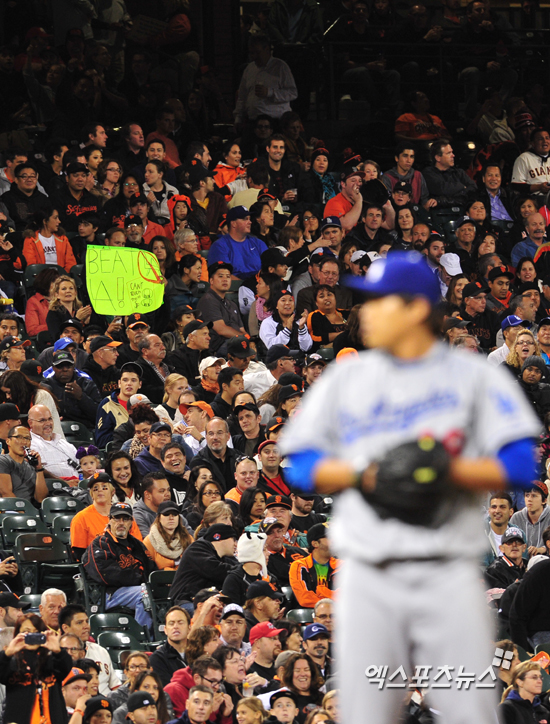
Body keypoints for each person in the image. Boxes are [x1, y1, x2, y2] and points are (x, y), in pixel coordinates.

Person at [279, 252, 541, 724]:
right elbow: (299, 465)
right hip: (367, 576)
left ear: (416, 309)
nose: (365, 312)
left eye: (379, 302)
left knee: (470, 713)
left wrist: (447, 472)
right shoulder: (349, 377)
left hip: (447, 575)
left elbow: (521, 460)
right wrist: (366, 475)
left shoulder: (472, 375)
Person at [81, 502, 156, 629]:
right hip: (109, 594)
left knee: (159, 592)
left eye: (126, 519)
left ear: (131, 522)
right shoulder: (99, 544)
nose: (121, 523)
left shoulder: (138, 545)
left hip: (134, 590)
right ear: (109, 520)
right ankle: (140, 638)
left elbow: (150, 569)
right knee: (145, 594)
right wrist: (137, 577)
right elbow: (105, 575)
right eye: (117, 518)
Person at [0, 613, 73, 724]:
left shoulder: (52, 661)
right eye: (26, 632)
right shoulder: (12, 662)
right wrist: (7, 654)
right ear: (17, 635)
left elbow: (66, 667)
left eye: (36, 632)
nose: (31, 636)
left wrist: (58, 651)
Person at [70, 473, 142, 561]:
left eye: (104, 487)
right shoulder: (80, 518)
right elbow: (79, 553)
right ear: (91, 494)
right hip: (98, 565)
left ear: (112, 492)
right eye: (95, 488)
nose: (99, 490)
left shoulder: (125, 515)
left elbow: (138, 545)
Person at [234, 34, 297, 128]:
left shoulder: (280, 67)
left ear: (267, 49)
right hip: (253, 122)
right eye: (251, 53)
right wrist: (238, 118)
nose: (254, 56)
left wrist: (270, 92)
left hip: (275, 122)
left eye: (257, 52)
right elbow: (242, 96)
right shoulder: (249, 69)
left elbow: (292, 93)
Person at [58, 604, 121, 696]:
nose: (86, 626)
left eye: (87, 621)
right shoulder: (58, 656)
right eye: (79, 623)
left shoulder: (100, 651)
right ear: (65, 628)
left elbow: (115, 686)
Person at [169, 524, 238, 605]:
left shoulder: (224, 559)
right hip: (185, 601)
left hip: (208, 602)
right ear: (219, 538)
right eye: (233, 539)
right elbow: (215, 570)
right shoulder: (197, 548)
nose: (236, 544)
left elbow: (237, 569)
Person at [196, 263, 246, 356]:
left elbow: (241, 329)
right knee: (241, 348)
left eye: (228, 276)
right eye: (220, 276)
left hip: (234, 341)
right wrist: (243, 338)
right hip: (218, 346)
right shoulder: (208, 300)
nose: (225, 279)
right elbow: (221, 330)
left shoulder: (232, 304)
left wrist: (248, 339)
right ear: (211, 280)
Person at [208, 207, 268, 281]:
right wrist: (247, 286)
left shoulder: (258, 243)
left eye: (249, 219)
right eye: (245, 219)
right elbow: (222, 276)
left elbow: (269, 269)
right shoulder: (219, 246)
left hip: (259, 287)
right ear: (233, 223)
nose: (250, 222)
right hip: (233, 289)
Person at [46, 350, 101, 429]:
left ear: (73, 367)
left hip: (85, 431)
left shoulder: (86, 384)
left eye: (68, 366)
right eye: (60, 366)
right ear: (53, 368)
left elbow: (99, 415)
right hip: (55, 430)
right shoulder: (47, 387)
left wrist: (81, 397)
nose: (65, 369)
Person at [289, 524, 339, 608]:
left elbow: (346, 597)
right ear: (315, 543)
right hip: (308, 618)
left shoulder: (342, 566)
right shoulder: (299, 566)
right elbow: (304, 599)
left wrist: (321, 590)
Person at [95, 362, 143, 448]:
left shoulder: (144, 404)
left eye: (133, 380)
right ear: (119, 383)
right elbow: (101, 440)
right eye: (125, 380)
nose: (129, 384)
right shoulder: (107, 404)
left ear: (140, 384)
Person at [28, 403, 80, 479]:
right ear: (30, 423)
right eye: (42, 420)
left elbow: (81, 469)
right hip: (54, 488)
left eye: (50, 419)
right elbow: (38, 472)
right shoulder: (30, 444)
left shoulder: (65, 444)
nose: (48, 423)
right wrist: (65, 482)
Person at [0, 424, 48, 503]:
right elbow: (6, 494)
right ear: (8, 441)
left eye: (27, 438)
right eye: (19, 437)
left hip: (31, 511)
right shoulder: (3, 461)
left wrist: (39, 468)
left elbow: (41, 499)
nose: (24, 442)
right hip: (11, 510)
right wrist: (23, 511)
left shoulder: (32, 466)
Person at [421, 140, 477, 207]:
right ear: (438, 158)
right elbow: (441, 189)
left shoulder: (459, 172)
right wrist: (461, 186)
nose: (453, 155)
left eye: (452, 152)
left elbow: (473, 188)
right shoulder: (428, 173)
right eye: (449, 153)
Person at [191, 418, 240, 492]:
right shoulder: (198, 463)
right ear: (206, 437)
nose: (215, 437)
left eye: (219, 433)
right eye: (211, 434)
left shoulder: (239, 459)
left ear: (228, 436)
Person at [222, 531, 270, 605]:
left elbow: (282, 601)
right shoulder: (233, 580)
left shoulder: (270, 577)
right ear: (252, 552)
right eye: (264, 550)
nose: (268, 553)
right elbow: (232, 611)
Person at [143, 500, 193, 570]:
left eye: (175, 514)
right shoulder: (149, 541)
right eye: (166, 514)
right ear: (159, 518)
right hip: (161, 579)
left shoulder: (188, 538)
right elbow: (149, 569)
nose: (171, 518)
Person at [149, 606, 191, 686]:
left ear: (189, 628)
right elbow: (167, 692)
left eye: (180, 622)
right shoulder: (157, 659)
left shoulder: (199, 654)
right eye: (171, 623)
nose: (175, 626)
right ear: (165, 630)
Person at [510, 481, 550, 555]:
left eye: (534, 496)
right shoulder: (516, 517)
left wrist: (543, 549)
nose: (529, 499)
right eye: (527, 495)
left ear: (544, 501)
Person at [133, 471, 173, 536]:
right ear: (147, 495)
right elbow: (146, 543)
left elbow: (190, 536)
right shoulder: (138, 516)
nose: (167, 494)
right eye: (162, 491)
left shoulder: (172, 510)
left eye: (168, 490)